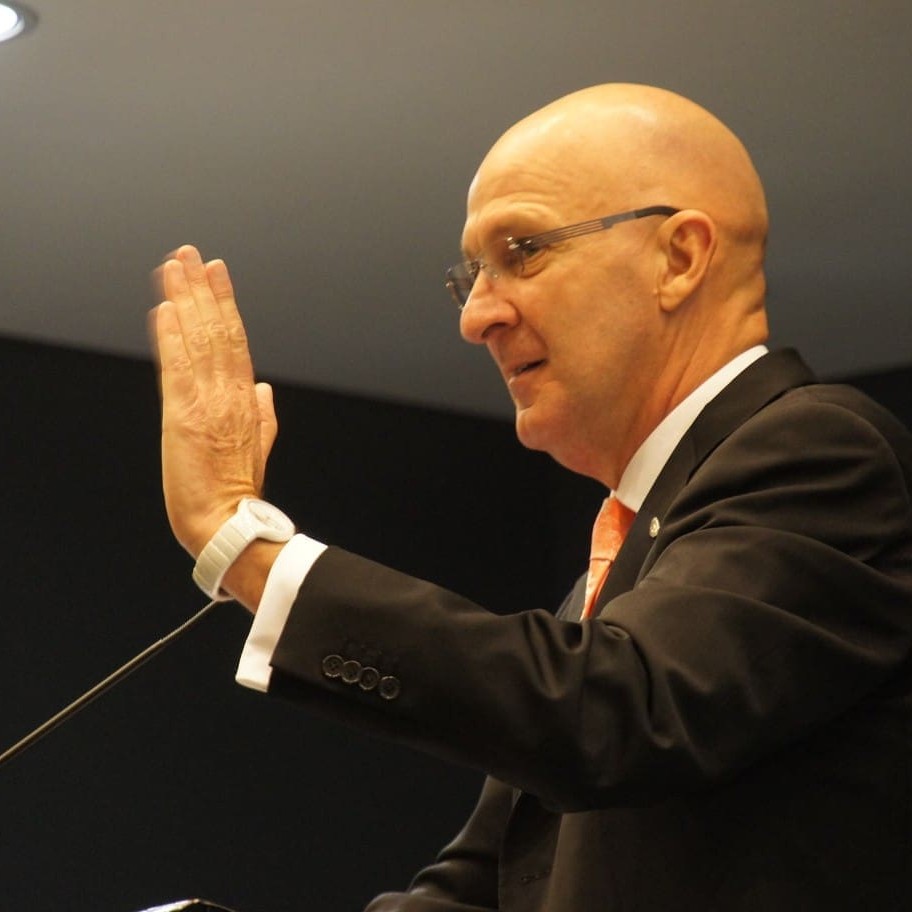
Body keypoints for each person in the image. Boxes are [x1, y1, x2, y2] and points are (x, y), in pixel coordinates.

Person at [151, 84, 912, 909]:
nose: (476, 315)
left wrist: (244, 545)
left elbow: (615, 715)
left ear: (680, 258)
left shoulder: (825, 454)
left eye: (523, 250)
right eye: (471, 274)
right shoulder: (616, 572)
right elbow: (482, 894)